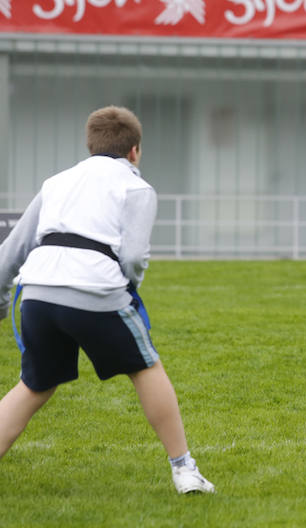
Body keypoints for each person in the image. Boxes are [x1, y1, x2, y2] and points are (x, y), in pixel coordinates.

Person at [0, 106, 214, 494]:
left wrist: (1, 303)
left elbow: (11, 250)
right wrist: (129, 285)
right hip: (95, 290)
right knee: (146, 367)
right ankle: (185, 471)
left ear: (90, 145)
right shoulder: (137, 187)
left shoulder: (55, 182)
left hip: (37, 292)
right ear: (135, 150)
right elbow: (132, 255)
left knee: (34, 384)